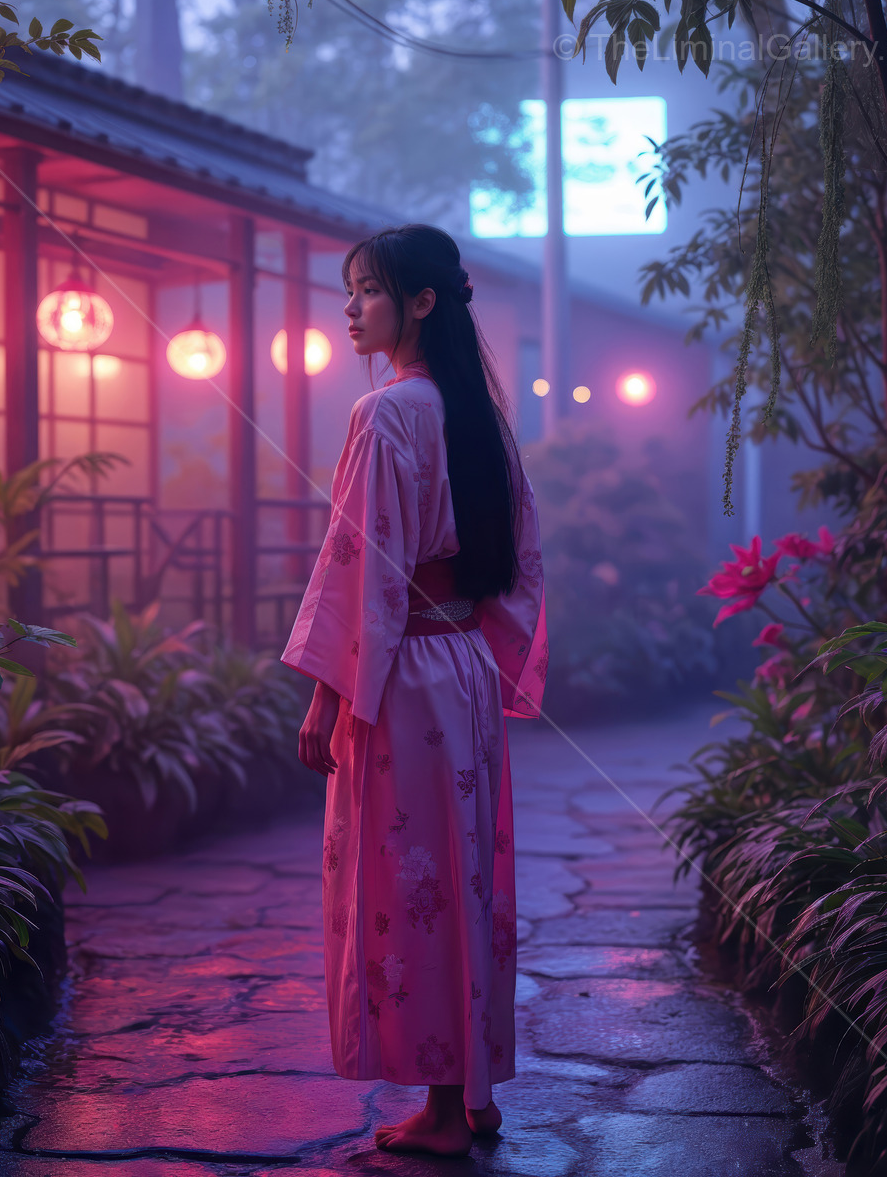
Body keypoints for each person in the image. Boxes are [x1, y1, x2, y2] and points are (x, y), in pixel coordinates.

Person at [281, 223, 547, 1158]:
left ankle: (441, 1108)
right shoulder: (475, 414)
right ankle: (470, 1090)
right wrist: (486, 651)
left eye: (366, 291)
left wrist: (327, 694)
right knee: (461, 875)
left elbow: (364, 568)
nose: (351, 309)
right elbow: (515, 563)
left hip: (402, 681)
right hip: (462, 668)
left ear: (421, 302)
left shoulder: (388, 414)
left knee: (410, 880)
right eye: (348, 292)